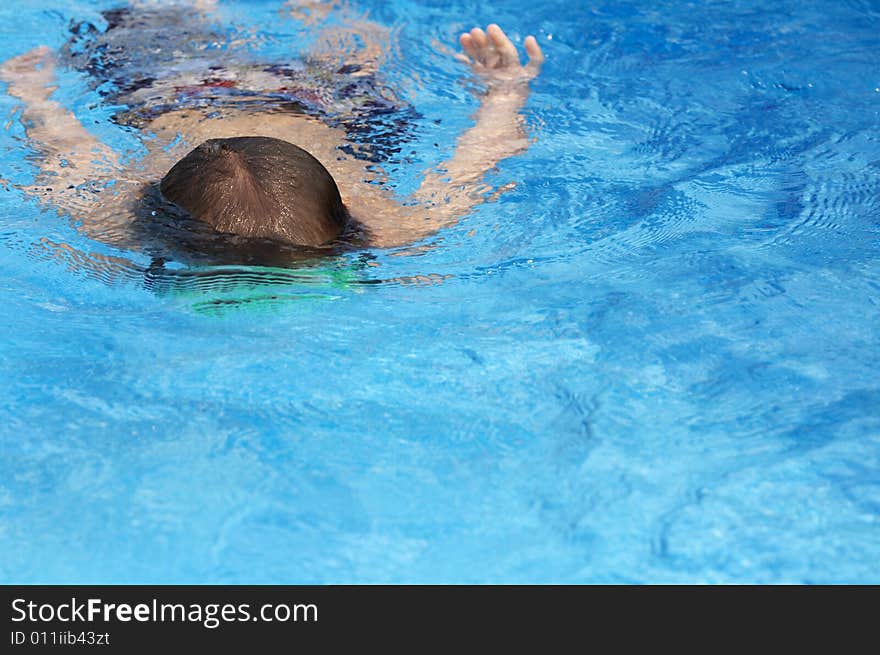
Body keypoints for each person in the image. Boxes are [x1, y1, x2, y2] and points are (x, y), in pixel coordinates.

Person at [1, 0, 543, 268]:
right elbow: (475, 162)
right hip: (187, 95)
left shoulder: (122, 224)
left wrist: (35, 99)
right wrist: (504, 93)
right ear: (343, 211)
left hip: (240, 99)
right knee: (354, 40)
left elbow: (70, 155)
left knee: (154, 13)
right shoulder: (387, 228)